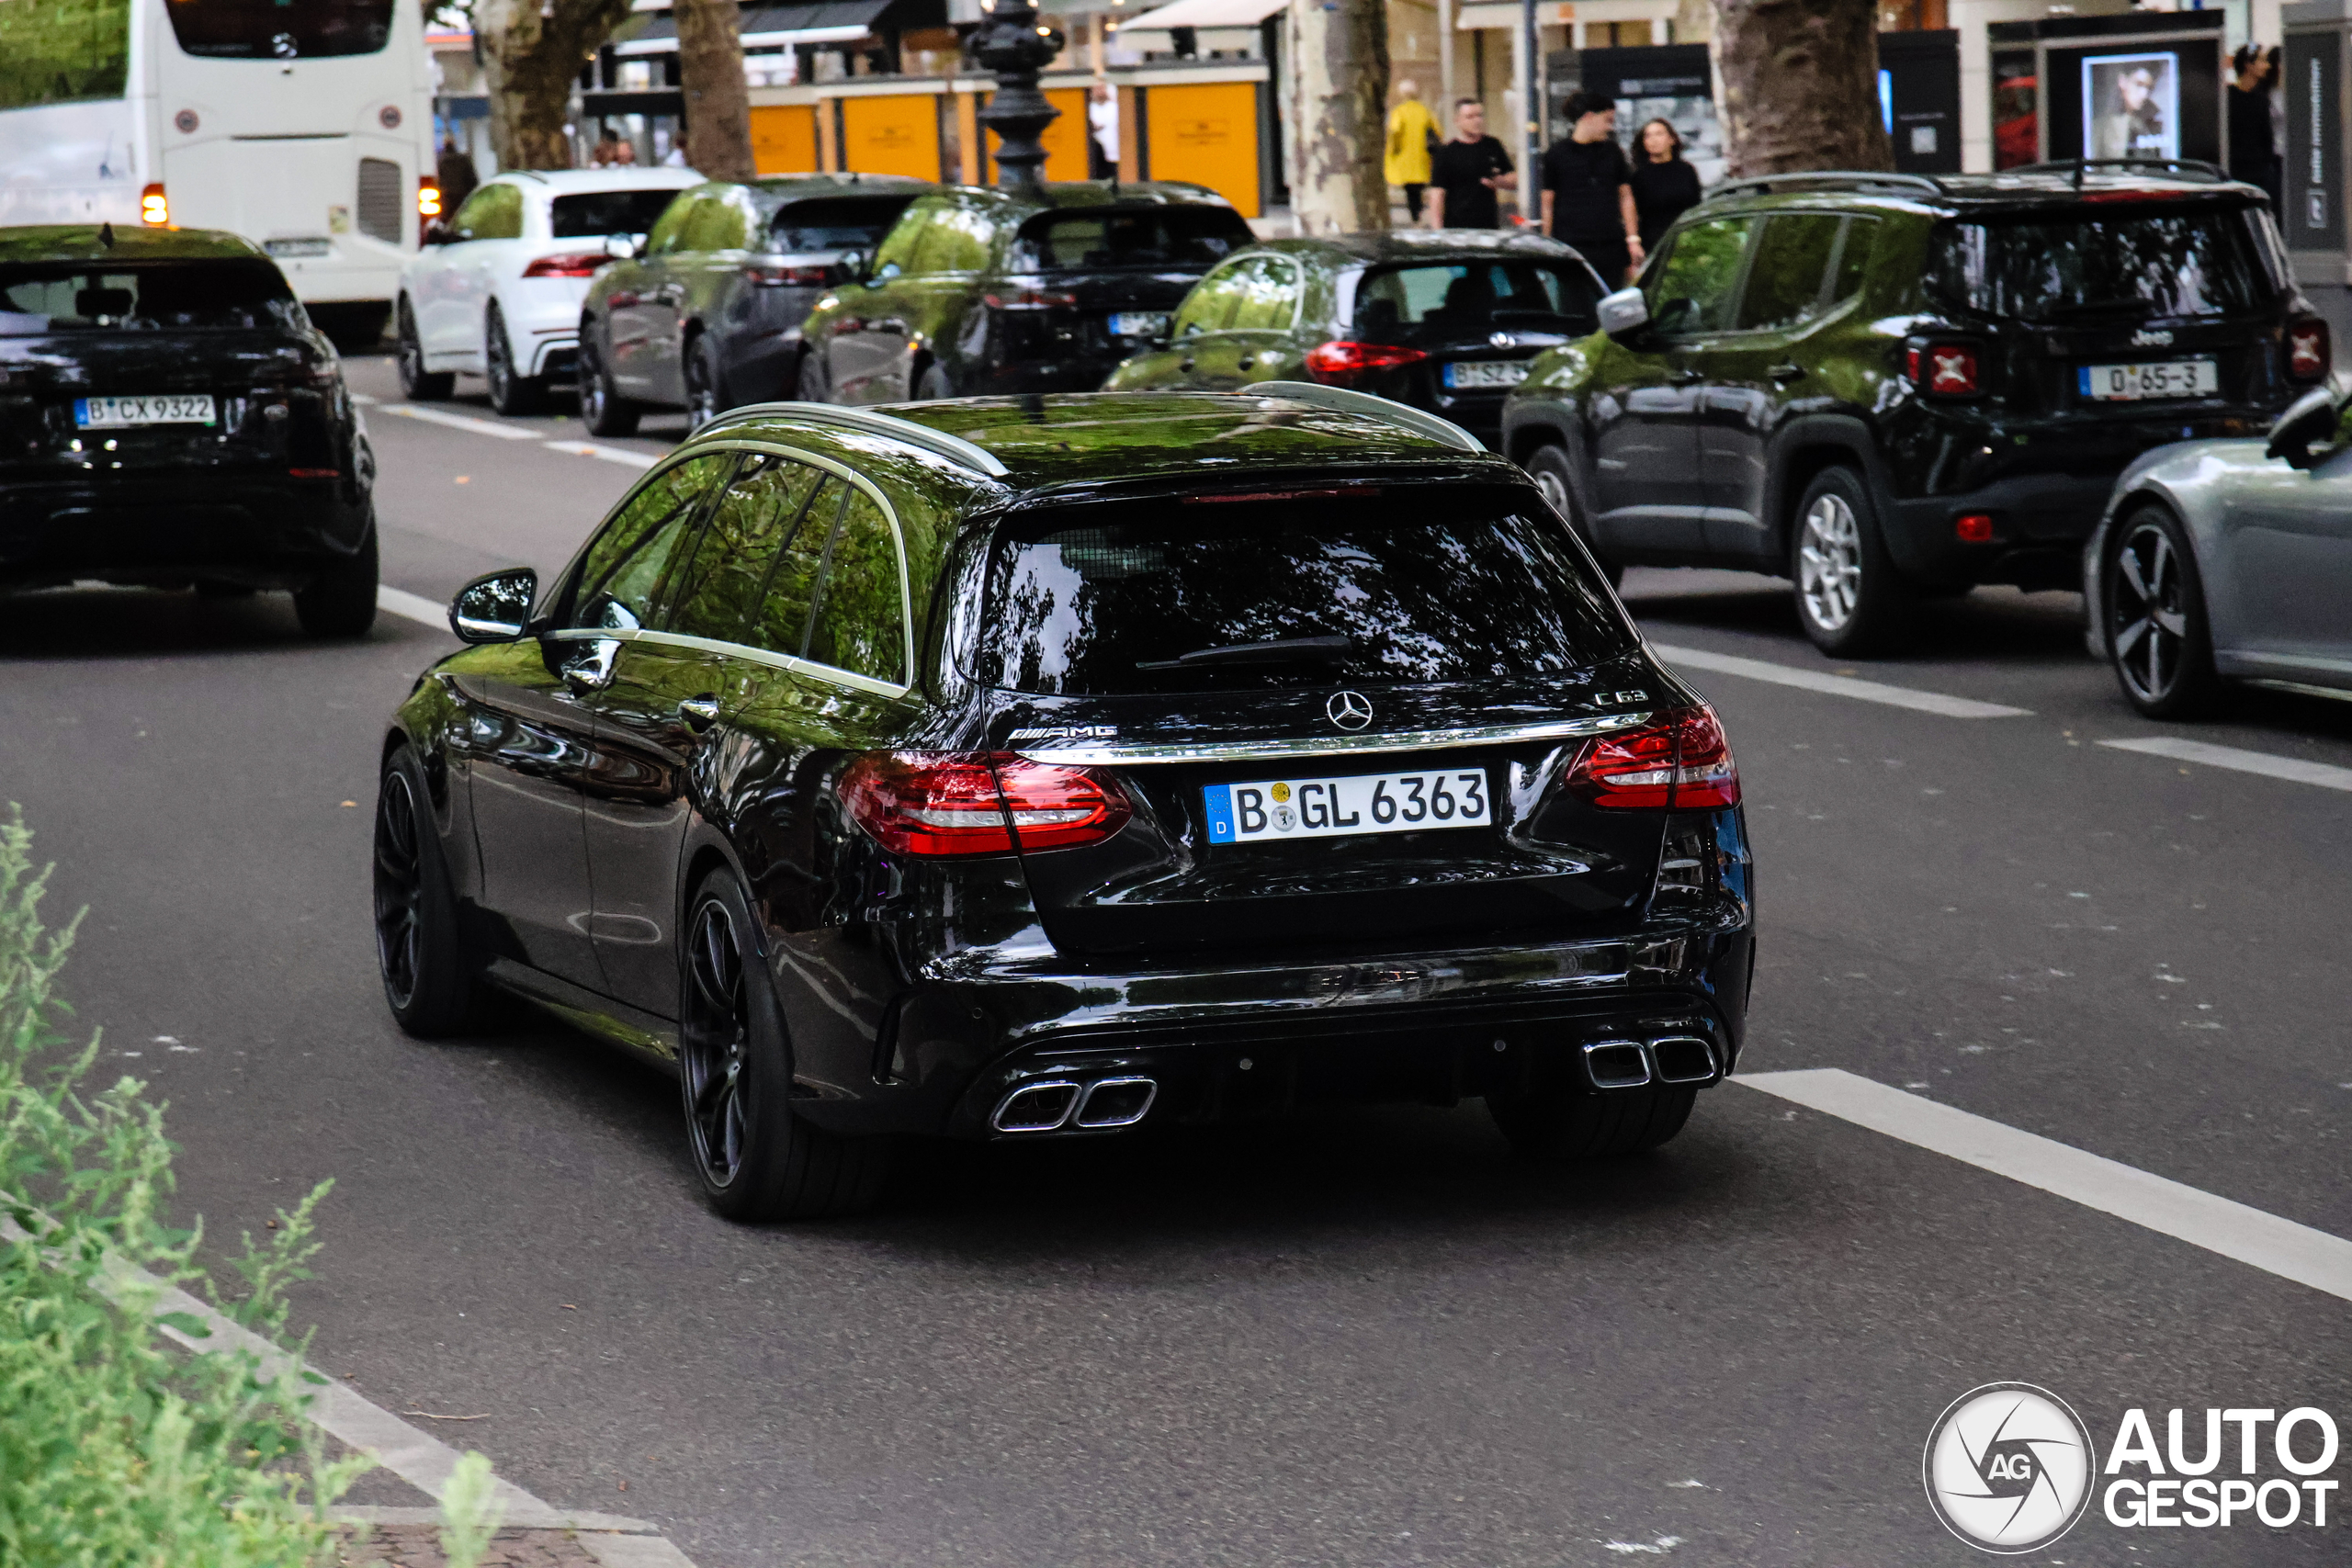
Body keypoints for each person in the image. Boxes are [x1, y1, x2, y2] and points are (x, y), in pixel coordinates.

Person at [1540, 91, 1640, 284]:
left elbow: (1625, 196)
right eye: (1607, 120)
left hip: (1610, 243)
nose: (1609, 127)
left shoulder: (1613, 152)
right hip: (1571, 245)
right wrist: (1547, 243)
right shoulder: (1557, 154)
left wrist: (1632, 239)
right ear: (1588, 117)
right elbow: (1548, 203)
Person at [1426, 98, 1514, 231]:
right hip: (1457, 227)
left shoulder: (1492, 146)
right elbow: (1437, 194)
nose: (1477, 121)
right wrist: (1437, 231)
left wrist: (1499, 182)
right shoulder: (1446, 153)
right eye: (1470, 117)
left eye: (1479, 116)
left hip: (1488, 226)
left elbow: (1513, 179)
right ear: (1457, 121)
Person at [1627, 117, 1701, 254]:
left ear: (1672, 139)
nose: (1654, 140)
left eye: (1659, 134)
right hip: (1654, 243)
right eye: (1648, 136)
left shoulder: (1686, 170)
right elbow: (1633, 213)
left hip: (1687, 239)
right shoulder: (1638, 176)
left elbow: (1696, 205)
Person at [2227, 44, 2279, 215]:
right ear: (2248, 65)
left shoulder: (2261, 99)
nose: (2267, 66)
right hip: (2236, 173)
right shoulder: (2228, 98)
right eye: (2262, 61)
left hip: (2259, 174)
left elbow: (2266, 137)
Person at [1385, 80, 1439, 224]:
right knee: (1418, 187)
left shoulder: (1399, 111)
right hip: (1422, 156)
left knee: (1410, 188)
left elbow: (1395, 131)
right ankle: (1418, 213)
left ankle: (1416, 216)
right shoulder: (1424, 110)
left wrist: (1392, 150)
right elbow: (1437, 131)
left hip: (1404, 156)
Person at [2091, 64, 2165, 161]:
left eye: (2149, 87)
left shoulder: (2153, 126)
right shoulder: (2099, 127)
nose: (2144, 94)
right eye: (2138, 84)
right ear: (2123, 81)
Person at [435, 140, 478, 219]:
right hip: (462, 196)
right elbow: (472, 179)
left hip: (448, 197)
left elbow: (439, 180)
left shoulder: (441, 161)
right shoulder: (463, 159)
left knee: (448, 218)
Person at [1088, 82, 1120, 179]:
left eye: (1102, 88)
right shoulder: (1089, 109)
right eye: (1097, 89)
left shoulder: (1115, 108)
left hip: (1115, 153)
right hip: (1097, 156)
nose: (1100, 92)